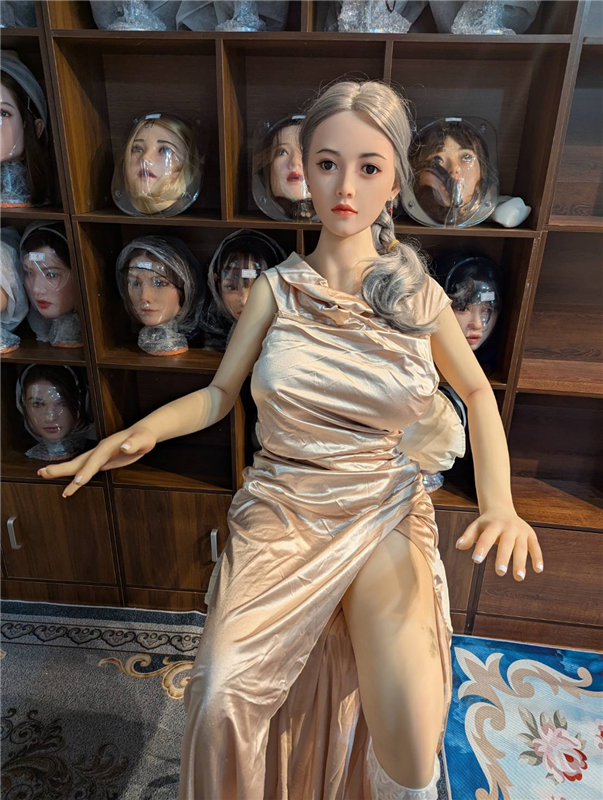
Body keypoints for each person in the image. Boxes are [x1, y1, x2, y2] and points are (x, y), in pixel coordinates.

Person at [38, 79, 544, 800]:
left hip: (380, 503)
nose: (346, 186)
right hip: (282, 508)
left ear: (394, 180)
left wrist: (500, 503)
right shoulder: (277, 289)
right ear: (306, 170)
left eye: (369, 166)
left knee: (411, 750)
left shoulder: (419, 296)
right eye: (327, 163)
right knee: (219, 696)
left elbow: (475, 392)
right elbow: (219, 394)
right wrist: (137, 430)